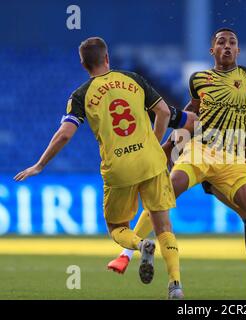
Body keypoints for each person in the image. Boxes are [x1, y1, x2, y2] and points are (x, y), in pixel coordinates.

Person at [107, 62, 246, 297]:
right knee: (166, 192)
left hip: (232, 164)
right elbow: (199, 108)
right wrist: (172, 143)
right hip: (203, 152)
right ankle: (127, 254)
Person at [13, 37, 185, 300]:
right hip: (151, 161)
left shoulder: (81, 95)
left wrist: (40, 164)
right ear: (107, 58)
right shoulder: (133, 79)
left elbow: (65, 134)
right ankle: (175, 285)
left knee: (117, 227)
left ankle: (140, 245)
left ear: (83, 64)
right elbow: (162, 111)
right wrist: (155, 143)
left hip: (119, 167)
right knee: (163, 226)